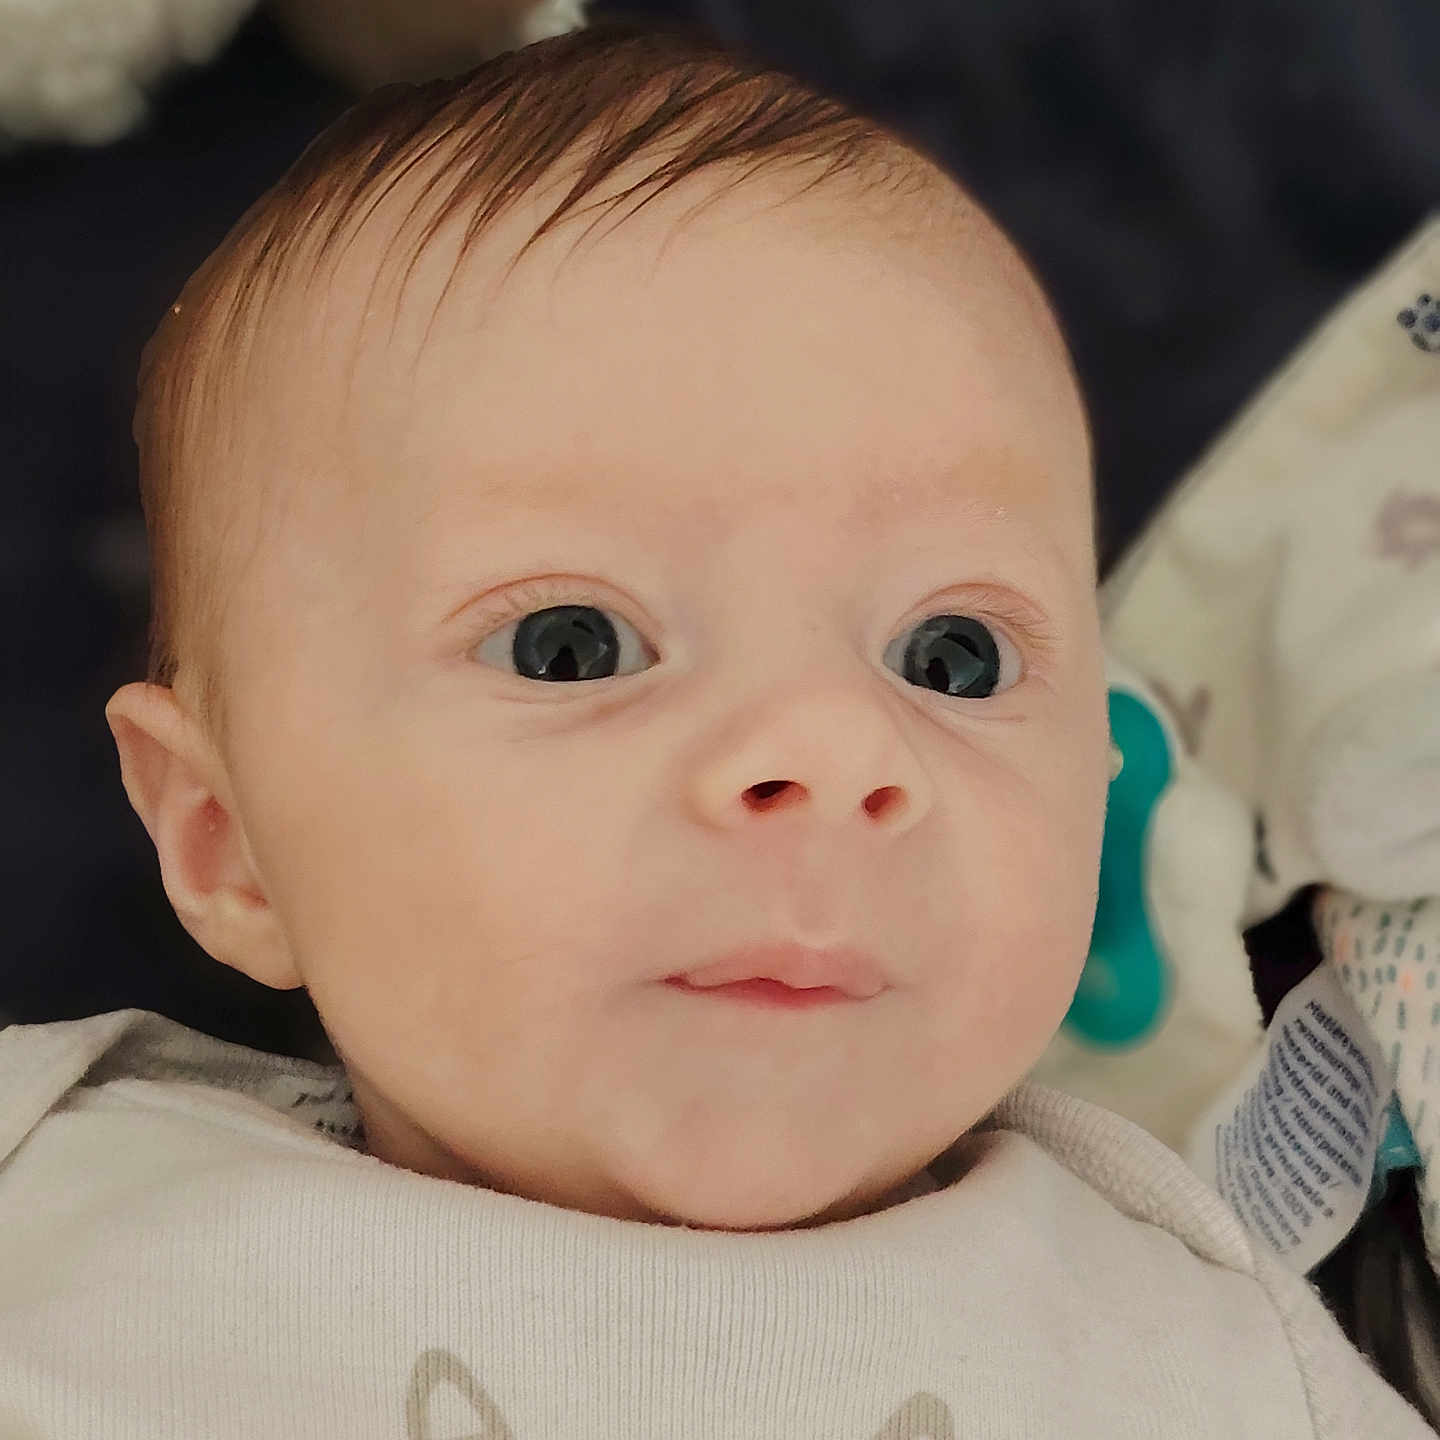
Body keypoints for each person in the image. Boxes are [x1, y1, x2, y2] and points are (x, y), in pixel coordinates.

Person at [0, 18, 1431, 1436]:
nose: (830, 747)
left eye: (956, 654)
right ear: (226, 839)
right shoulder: (51, 1194)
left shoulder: (1206, 1340)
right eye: (576, 646)